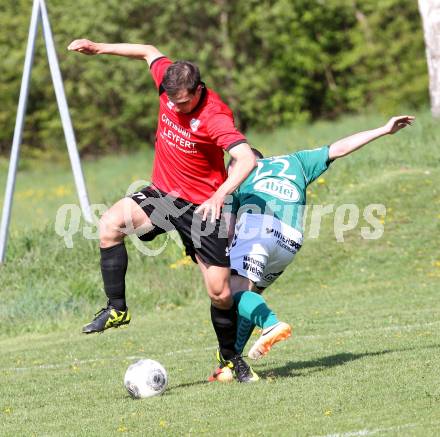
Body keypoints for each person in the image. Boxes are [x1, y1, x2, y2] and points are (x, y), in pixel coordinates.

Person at [67, 39, 258, 382]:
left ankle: (230, 358)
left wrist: (220, 195)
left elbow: (247, 158)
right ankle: (117, 309)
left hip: (203, 208)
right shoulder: (169, 84)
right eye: (172, 101)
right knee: (110, 225)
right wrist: (98, 48)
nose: (177, 107)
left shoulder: (214, 115)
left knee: (220, 292)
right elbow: (148, 50)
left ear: (198, 89)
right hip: (164, 195)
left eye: (184, 102)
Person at [209, 115, 414, 381]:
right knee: (251, 292)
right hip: (291, 240)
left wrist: (219, 257)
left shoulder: (237, 180)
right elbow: (338, 148)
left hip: (259, 228)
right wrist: (383, 129)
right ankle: (233, 361)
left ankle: (270, 324)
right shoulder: (296, 161)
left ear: (240, 163)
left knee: (231, 289)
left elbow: (229, 228)